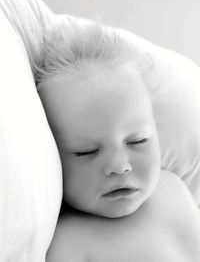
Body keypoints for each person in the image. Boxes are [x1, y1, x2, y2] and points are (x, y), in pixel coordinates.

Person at [35, 22, 200, 261]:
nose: (120, 166)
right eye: (87, 152)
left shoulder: (173, 189)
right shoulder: (66, 242)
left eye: (138, 141)